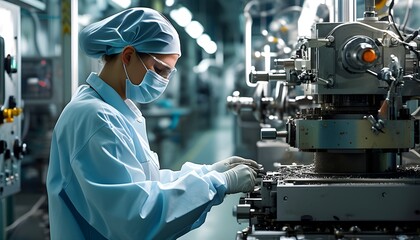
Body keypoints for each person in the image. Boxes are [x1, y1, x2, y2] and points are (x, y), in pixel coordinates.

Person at [46, 7, 260, 240]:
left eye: (168, 73)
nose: (164, 81)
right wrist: (218, 183)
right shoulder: (94, 118)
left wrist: (209, 171)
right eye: (159, 70)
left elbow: (146, 184)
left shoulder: (117, 112)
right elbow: (137, 217)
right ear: (127, 56)